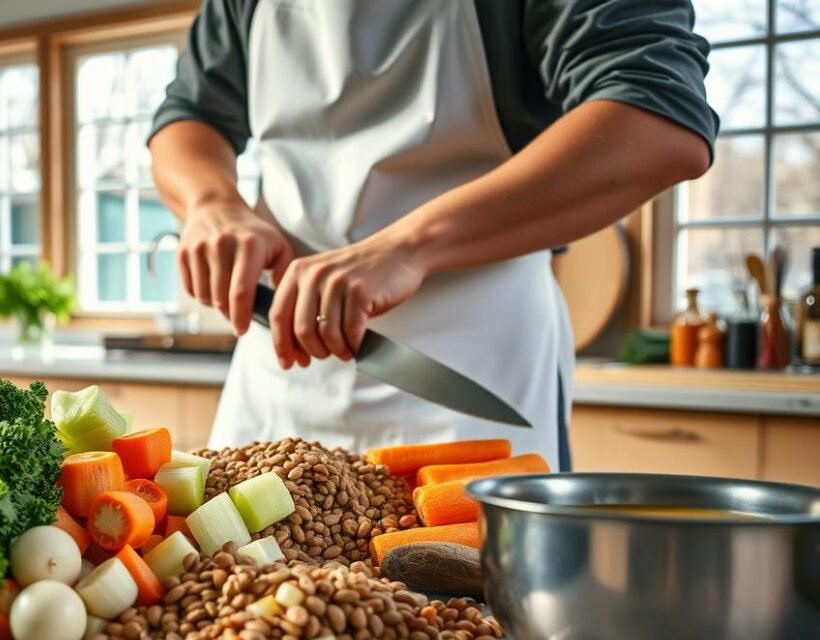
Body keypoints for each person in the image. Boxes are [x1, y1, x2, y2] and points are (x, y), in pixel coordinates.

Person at [148, 1, 718, 470]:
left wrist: (408, 245)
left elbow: (660, 119)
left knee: (458, 606)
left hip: (473, 368)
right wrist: (211, 203)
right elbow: (188, 116)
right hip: (279, 366)